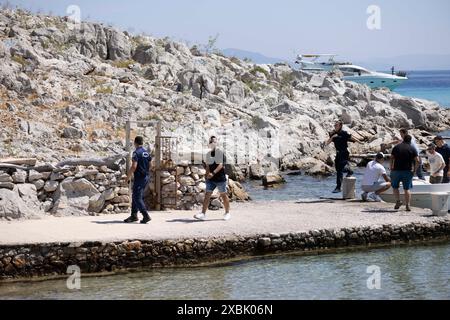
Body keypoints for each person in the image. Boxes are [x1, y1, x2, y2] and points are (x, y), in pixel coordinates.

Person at [194, 136, 231, 221]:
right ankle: (203, 214)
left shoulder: (220, 153)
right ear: (209, 144)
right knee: (207, 195)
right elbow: (208, 166)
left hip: (220, 179)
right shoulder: (208, 155)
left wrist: (213, 173)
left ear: (216, 143)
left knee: (223, 195)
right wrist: (206, 175)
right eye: (211, 142)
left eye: (214, 142)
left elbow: (221, 165)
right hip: (211, 179)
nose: (212, 143)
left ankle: (227, 213)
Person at [124, 136, 152, 224]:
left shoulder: (136, 153)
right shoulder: (146, 153)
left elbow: (134, 166)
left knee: (137, 197)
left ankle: (145, 215)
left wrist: (128, 177)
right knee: (135, 195)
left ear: (135, 143)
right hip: (146, 177)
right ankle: (134, 215)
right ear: (142, 143)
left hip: (139, 178)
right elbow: (150, 165)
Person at [325, 120, 358, 193]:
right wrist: (333, 137)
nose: (335, 126)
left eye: (336, 125)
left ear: (340, 126)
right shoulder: (333, 133)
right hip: (338, 153)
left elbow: (352, 138)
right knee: (338, 169)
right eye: (334, 125)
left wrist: (360, 141)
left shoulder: (344, 133)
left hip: (344, 153)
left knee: (340, 170)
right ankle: (350, 170)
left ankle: (338, 187)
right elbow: (327, 143)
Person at [390, 135, 419, 211]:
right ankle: (407, 205)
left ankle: (398, 201)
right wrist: (414, 170)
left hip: (396, 170)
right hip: (407, 171)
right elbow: (417, 161)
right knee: (407, 189)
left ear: (403, 139)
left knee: (395, 187)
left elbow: (391, 157)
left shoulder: (396, 147)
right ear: (410, 141)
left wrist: (391, 167)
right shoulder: (412, 148)